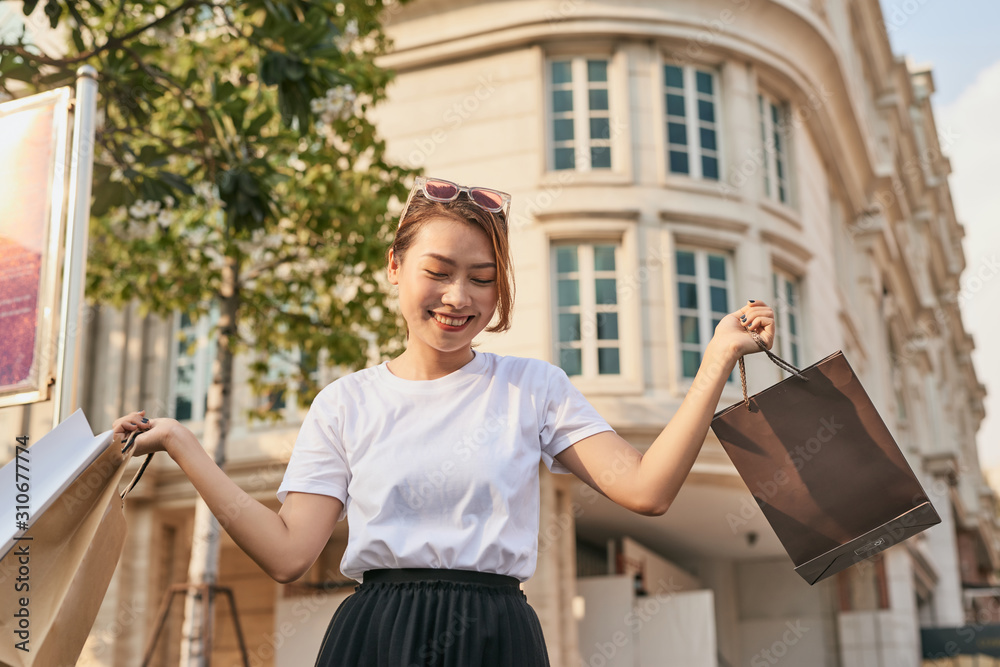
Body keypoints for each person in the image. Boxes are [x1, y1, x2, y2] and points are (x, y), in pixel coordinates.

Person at [115, 176, 775, 666]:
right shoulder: (345, 402)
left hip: (496, 637)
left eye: (483, 279)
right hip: (375, 637)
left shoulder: (532, 387)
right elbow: (289, 553)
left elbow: (646, 489)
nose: (460, 297)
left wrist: (716, 358)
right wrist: (181, 443)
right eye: (439, 271)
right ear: (396, 268)